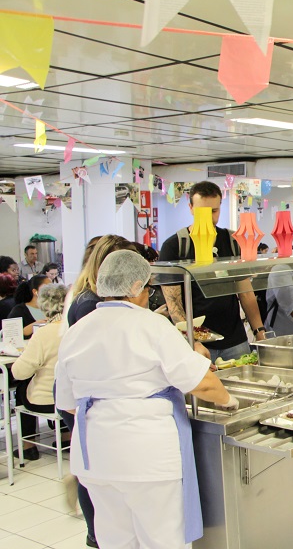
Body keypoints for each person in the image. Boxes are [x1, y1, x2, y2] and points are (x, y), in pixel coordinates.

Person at [56, 250, 238, 549]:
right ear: (136, 286)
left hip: (95, 457)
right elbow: (204, 384)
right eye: (148, 288)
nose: (148, 296)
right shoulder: (151, 325)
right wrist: (228, 400)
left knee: (115, 539)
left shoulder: (76, 333)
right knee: (162, 538)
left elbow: (66, 402)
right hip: (146, 456)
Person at [61, 234, 138, 549]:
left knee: (92, 468)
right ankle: (96, 534)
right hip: (85, 396)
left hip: (86, 394)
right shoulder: (91, 304)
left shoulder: (91, 295)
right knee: (93, 471)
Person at [159, 181, 267, 360]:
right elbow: (174, 304)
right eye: (203, 211)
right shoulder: (175, 246)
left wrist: (259, 330)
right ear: (191, 208)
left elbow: (245, 292)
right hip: (195, 343)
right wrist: (192, 341)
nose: (209, 217)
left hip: (234, 340)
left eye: (214, 211)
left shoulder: (232, 242)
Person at [11, 284, 69, 461]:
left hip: (46, 400)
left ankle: (28, 446)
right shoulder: (74, 326)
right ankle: (66, 437)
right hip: (70, 397)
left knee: (21, 387)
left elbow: (19, 372)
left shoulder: (43, 333)